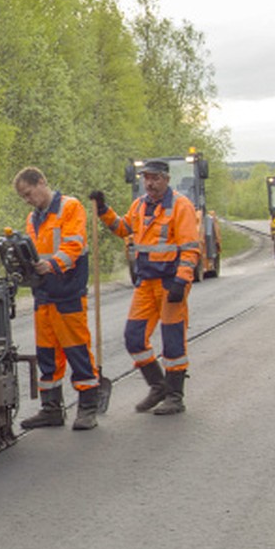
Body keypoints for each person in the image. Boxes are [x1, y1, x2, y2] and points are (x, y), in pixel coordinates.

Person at [89, 159, 201, 416]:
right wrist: (104, 210)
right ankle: (158, 386)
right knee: (134, 338)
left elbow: (190, 248)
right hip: (145, 283)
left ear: (166, 180)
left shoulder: (180, 206)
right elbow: (123, 228)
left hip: (171, 282)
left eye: (155, 178)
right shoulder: (139, 206)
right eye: (146, 178)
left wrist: (182, 280)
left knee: (173, 340)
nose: (150, 183)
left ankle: (175, 396)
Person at [13, 167, 101, 431]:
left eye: (29, 194)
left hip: (67, 292)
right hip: (44, 295)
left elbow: (73, 245)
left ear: (41, 182)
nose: (28, 200)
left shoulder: (70, 208)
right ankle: (51, 408)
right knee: (47, 353)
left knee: (76, 350)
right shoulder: (33, 218)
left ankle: (87, 407)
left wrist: (51, 265)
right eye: (24, 198)